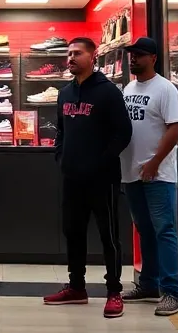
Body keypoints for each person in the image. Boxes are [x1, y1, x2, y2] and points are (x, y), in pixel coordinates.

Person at [43, 37, 131, 318]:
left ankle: (114, 292)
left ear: (92, 57)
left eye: (77, 53)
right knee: (73, 232)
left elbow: (123, 133)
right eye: (68, 53)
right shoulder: (65, 93)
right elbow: (61, 130)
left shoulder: (108, 92)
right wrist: (61, 155)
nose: (71, 58)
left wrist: (101, 162)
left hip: (102, 178)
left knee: (108, 236)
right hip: (72, 177)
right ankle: (77, 287)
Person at [119, 36, 178, 317]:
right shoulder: (128, 88)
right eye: (132, 55)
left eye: (140, 55)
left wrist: (154, 163)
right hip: (131, 172)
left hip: (157, 174)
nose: (133, 59)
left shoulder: (166, 89)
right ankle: (149, 283)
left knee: (164, 231)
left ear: (154, 58)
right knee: (144, 230)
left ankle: (172, 292)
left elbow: (176, 127)